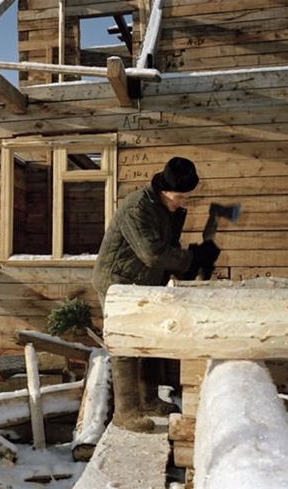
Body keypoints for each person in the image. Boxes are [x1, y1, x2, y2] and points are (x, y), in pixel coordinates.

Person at [92, 156, 220, 432]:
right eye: (178, 197)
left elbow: (167, 251)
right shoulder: (139, 207)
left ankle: (149, 400)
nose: (182, 202)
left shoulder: (169, 210)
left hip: (145, 281)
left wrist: (195, 259)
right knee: (125, 343)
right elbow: (151, 253)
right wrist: (192, 258)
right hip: (118, 280)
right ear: (164, 190)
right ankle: (125, 413)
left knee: (149, 338)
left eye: (186, 197)